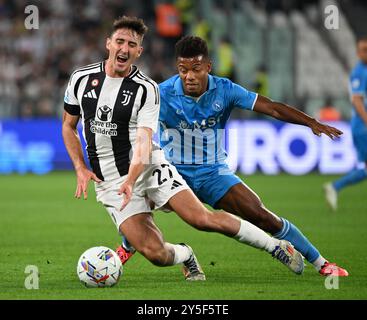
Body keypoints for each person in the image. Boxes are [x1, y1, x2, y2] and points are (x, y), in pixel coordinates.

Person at [62, 16, 305, 282]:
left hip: (149, 166)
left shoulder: (147, 89)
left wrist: (132, 179)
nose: (124, 48)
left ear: (138, 52)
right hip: (109, 180)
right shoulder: (81, 78)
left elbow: (144, 141)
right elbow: (68, 126)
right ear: (108, 43)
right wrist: (80, 167)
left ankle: (276, 247)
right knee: (155, 253)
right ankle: (186, 254)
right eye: (120, 41)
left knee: (200, 218)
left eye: (132, 44)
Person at [118, 35, 348, 277]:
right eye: (183, 70)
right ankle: (122, 251)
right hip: (173, 172)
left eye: (196, 69)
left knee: (262, 215)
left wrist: (310, 122)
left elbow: (271, 107)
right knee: (136, 204)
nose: (189, 76)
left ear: (208, 66)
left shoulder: (225, 90)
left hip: (213, 173)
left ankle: (321, 263)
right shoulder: (161, 93)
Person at [324, 37, 367, 211]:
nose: (366, 52)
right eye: (363, 49)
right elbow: (357, 101)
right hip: (362, 126)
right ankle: (335, 186)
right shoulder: (359, 72)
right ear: (357, 53)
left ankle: (335, 186)